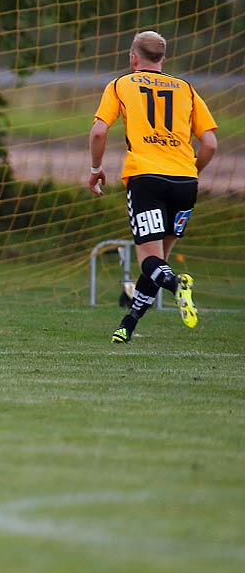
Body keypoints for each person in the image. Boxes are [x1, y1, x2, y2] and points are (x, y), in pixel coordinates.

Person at [91, 29, 217, 343]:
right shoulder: (186, 88)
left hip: (146, 179)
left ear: (133, 57)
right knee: (157, 260)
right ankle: (127, 326)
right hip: (185, 181)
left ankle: (176, 286)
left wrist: (95, 169)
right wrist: (191, 169)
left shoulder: (121, 84)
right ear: (163, 58)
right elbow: (211, 144)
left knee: (150, 260)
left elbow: (98, 132)